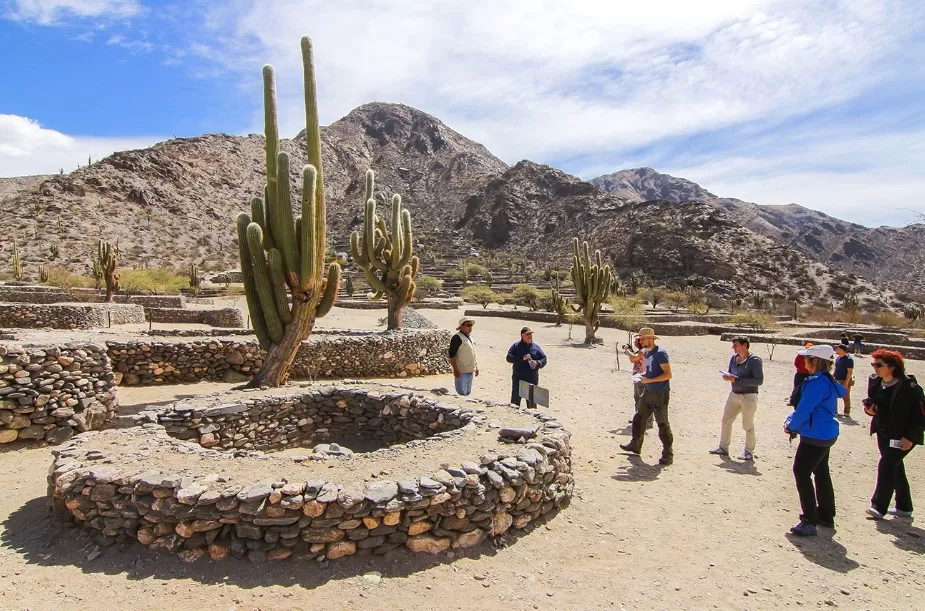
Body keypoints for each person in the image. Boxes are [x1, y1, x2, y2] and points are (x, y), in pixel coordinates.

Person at [784, 344, 845, 536]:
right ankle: (826, 515)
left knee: (801, 472)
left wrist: (790, 425)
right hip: (826, 433)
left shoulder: (816, 383)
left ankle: (810, 520)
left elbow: (804, 409)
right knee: (821, 472)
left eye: (807, 359)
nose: (804, 362)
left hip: (814, 434)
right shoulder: (827, 380)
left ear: (816, 361)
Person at [863, 348, 924, 520]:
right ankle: (904, 507)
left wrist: (910, 437)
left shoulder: (910, 388)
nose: (875, 368)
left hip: (902, 436)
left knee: (887, 465)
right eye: (873, 364)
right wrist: (870, 411)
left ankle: (878, 506)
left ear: (892, 367)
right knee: (895, 468)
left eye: (879, 365)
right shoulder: (876, 383)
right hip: (884, 433)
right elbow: (874, 405)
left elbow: (920, 416)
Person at [620, 327, 674, 465]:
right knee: (639, 417)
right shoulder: (646, 353)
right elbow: (650, 370)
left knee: (662, 423)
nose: (640, 341)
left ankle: (668, 454)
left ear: (650, 339)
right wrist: (643, 376)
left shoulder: (660, 354)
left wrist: (649, 380)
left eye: (643, 338)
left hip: (660, 393)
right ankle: (635, 444)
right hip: (649, 391)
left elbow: (668, 375)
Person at [709, 336, 764, 460]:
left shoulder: (755, 360)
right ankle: (723, 448)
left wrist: (737, 380)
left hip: (748, 396)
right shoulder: (733, 359)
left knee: (748, 425)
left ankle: (749, 452)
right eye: (733, 345)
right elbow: (731, 373)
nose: (734, 348)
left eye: (736, 345)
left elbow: (759, 380)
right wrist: (727, 377)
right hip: (734, 394)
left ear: (745, 345)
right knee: (726, 420)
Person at [506, 327, 547, 407]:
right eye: (527, 334)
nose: (530, 336)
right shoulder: (516, 346)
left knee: (532, 404)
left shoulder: (536, 347)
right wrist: (522, 359)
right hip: (518, 379)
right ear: (522, 335)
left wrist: (537, 363)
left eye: (531, 334)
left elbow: (544, 359)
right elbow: (509, 358)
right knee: (515, 403)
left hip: (532, 379)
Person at [621, 337, 652, 429]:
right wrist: (629, 351)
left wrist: (627, 350)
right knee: (638, 398)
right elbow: (632, 359)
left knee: (642, 399)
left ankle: (647, 421)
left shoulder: (643, 351)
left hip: (641, 377)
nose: (634, 343)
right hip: (638, 376)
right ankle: (639, 418)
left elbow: (634, 358)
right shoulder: (641, 351)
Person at [448, 316, 478, 396]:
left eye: (471, 325)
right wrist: (455, 369)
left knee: (468, 392)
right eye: (468, 325)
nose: (470, 327)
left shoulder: (470, 338)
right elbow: (452, 355)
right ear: (461, 326)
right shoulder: (457, 338)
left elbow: (472, 353)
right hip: (461, 371)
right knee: (461, 393)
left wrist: (476, 368)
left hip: (470, 370)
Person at [788, 343, 813, 407]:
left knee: (806, 388)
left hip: (808, 374)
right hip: (801, 373)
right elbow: (796, 363)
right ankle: (793, 400)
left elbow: (796, 363)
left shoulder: (813, 356)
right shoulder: (801, 355)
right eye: (807, 348)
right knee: (797, 387)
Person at [833, 344, 854, 416]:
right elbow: (836, 369)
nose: (836, 350)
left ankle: (846, 412)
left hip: (844, 380)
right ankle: (835, 411)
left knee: (846, 396)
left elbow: (850, 372)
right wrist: (833, 376)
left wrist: (846, 382)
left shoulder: (849, 359)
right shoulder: (838, 358)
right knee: (834, 395)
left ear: (842, 350)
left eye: (837, 349)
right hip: (837, 379)